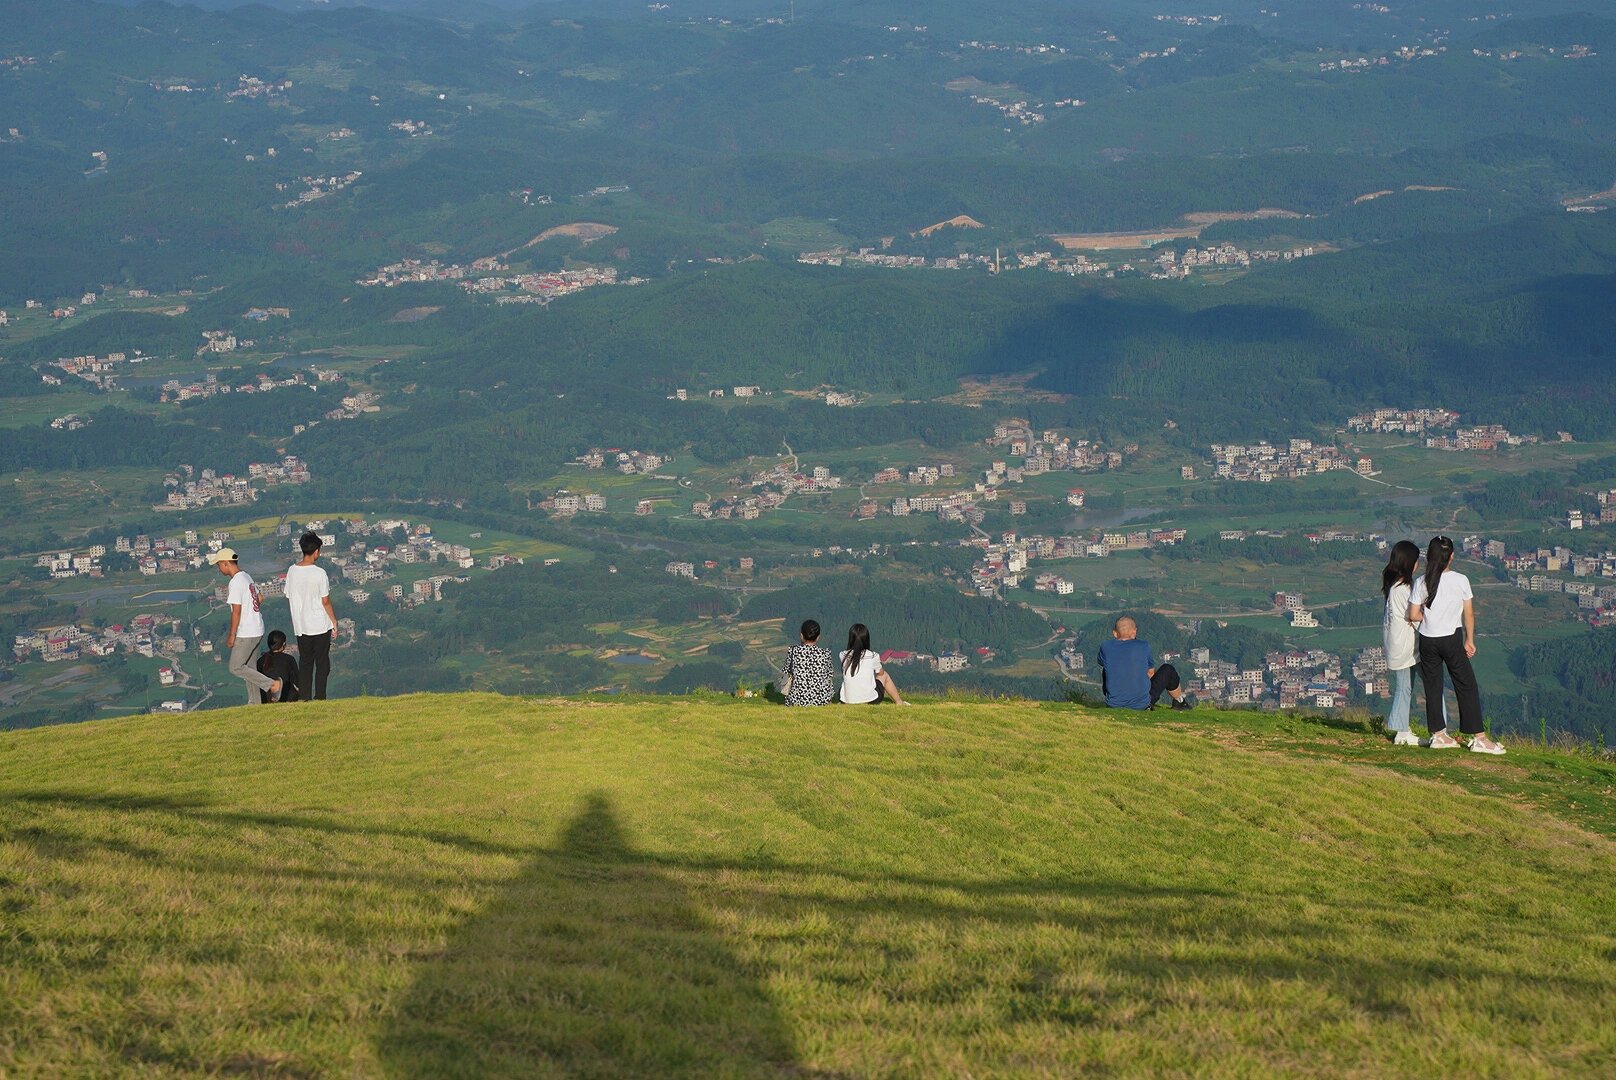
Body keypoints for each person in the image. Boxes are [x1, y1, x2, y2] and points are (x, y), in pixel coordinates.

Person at [1409, 535, 1505, 754]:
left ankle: (1438, 735)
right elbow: (1468, 614)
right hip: (1452, 639)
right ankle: (1479, 738)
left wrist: (1429, 618)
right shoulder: (1461, 580)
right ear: (1451, 556)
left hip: (1427, 640)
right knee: (1466, 685)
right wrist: (1469, 640)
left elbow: (1414, 614)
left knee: (1433, 687)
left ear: (1429, 557)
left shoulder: (1421, 582)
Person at [1381, 540, 1446, 745]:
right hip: (1407, 647)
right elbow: (1415, 616)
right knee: (1425, 685)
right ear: (1410, 563)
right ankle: (1423, 731)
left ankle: (1408, 730)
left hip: (1401, 646)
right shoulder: (1404, 589)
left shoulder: (1395, 586)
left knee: (1411, 686)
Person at [207, 547, 280, 705]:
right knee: (250, 668)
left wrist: (232, 635)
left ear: (226, 563)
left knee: (236, 667)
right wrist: (252, 613)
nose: (218, 569)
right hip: (257, 628)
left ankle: (273, 685)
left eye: (219, 565)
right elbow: (260, 598)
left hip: (246, 632)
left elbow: (236, 612)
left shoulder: (235, 582)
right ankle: (255, 703)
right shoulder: (247, 576)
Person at [1096, 615, 1190, 710]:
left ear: (1114, 633)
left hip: (1113, 704)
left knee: (1108, 666)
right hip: (1141, 705)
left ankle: (1116, 698)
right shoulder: (1143, 646)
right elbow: (1150, 673)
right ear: (1134, 631)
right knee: (1168, 669)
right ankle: (1179, 701)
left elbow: (1102, 663)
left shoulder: (1105, 646)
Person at [285, 531, 338, 701]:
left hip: (302, 626)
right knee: (322, 663)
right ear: (316, 551)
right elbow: (326, 601)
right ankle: (320, 696)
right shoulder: (319, 573)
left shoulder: (292, 571)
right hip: (320, 624)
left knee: (305, 662)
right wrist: (334, 621)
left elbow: (289, 595)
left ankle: (304, 697)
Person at [838, 623, 908, 705]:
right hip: (871, 700)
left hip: (846, 700)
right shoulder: (873, 655)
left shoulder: (842, 655)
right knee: (885, 675)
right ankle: (899, 702)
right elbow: (881, 673)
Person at [783, 619, 835, 706]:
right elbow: (829, 675)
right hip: (820, 700)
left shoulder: (793, 651)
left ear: (801, 635)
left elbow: (785, 673)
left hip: (796, 701)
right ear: (818, 637)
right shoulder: (825, 654)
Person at [255, 630, 301, 704]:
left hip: (264, 699)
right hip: (285, 697)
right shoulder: (289, 659)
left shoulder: (260, 660)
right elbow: (297, 682)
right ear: (284, 644)